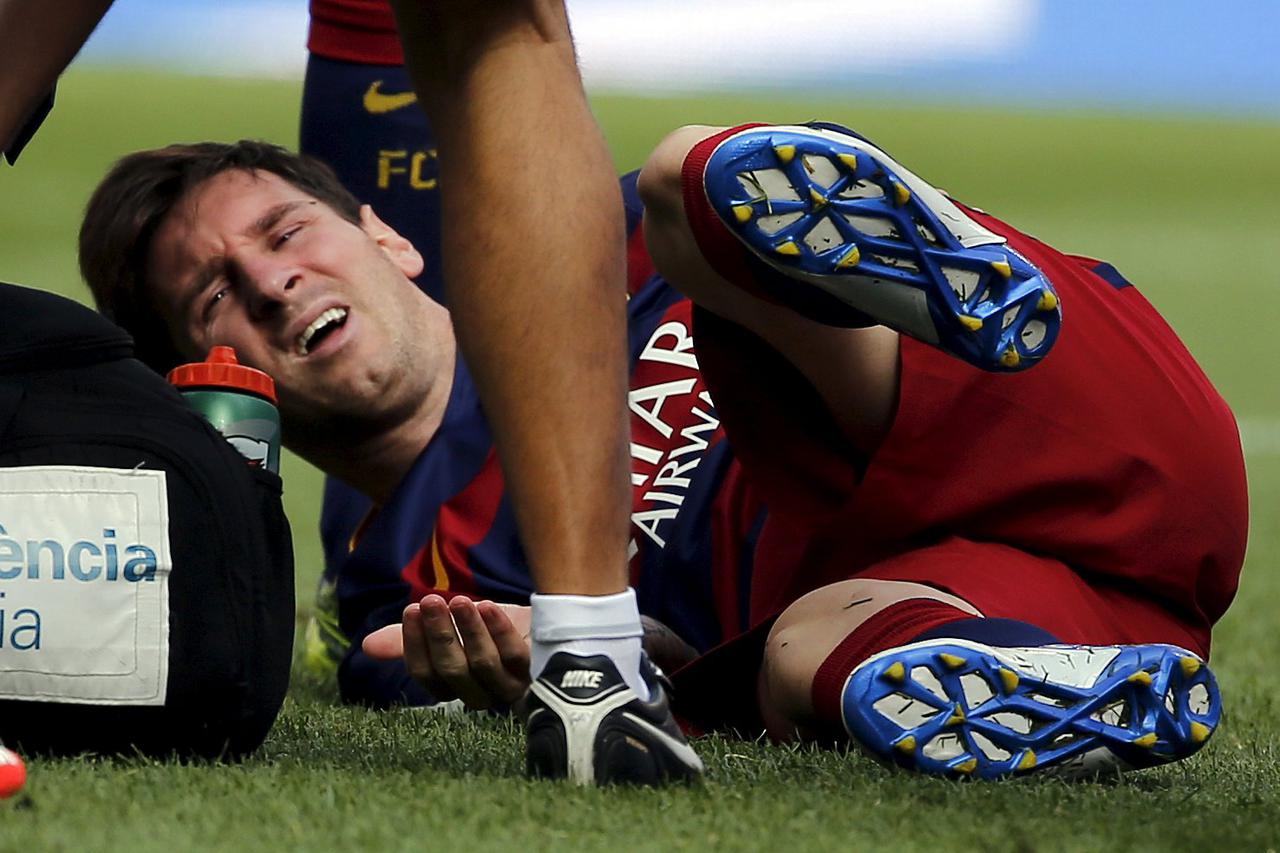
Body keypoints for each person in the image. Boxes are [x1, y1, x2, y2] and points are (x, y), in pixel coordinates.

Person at [79, 96, 1246, 780]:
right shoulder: (408, 591)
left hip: (1059, 427)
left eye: (285, 230)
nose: (272, 281)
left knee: (688, 180)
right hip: (995, 600)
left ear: (389, 238)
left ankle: (948, 275)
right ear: (206, 378)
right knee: (803, 658)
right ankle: (1065, 701)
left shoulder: (595, 248)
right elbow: (660, 659)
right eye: (214, 296)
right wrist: (561, 651)